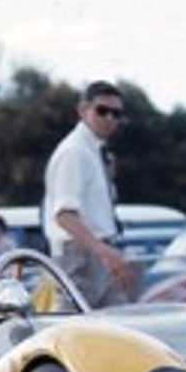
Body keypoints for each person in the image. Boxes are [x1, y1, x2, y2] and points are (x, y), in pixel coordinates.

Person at [43, 80, 135, 307]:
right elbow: (64, 215)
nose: (110, 119)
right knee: (72, 329)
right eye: (102, 111)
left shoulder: (93, 151)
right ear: (83, 110)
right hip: (80, 255)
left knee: (115, 328)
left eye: (116, 113)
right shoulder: (75, 152)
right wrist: (104, 251)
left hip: (96, 252)